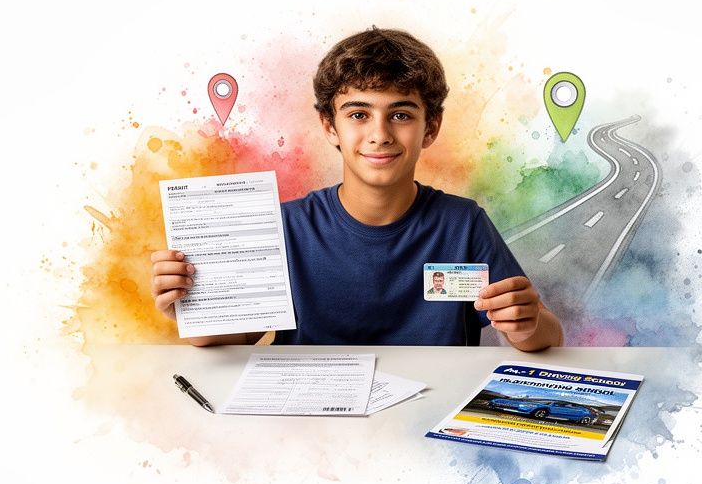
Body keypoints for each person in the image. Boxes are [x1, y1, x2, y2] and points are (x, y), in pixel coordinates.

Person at [151, 27, 563, 351]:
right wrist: (192, 310)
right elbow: (234, 340)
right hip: (310, 425)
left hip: (424, 423)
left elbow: (547, 336)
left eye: (400, 114)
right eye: (359, 114)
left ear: (431, 128)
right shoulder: (285, 228)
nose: (379, 134)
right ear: (330, 126)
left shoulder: (463, 224)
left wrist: (526, 324)